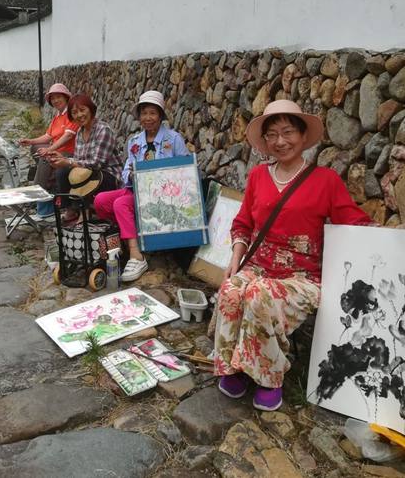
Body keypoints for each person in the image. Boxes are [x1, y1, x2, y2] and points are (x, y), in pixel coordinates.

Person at [214, 99, 373, 411]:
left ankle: (269, 377)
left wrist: (391, 237)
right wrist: (235, 261)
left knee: (259, 295)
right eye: (272, 135)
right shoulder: (258, 176)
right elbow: (243, 223)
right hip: (258, 267)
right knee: (232, 290)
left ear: (302, 136)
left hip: (303, 277)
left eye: (288, 132)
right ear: (265, 141)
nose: (280, 141)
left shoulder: (326, 180)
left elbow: (354, 222)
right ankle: (235, 367)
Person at [94, 90, 189, 282]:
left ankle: (136, 254)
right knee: (100, 200)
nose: (148, 118)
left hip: (162, 196)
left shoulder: (173, 139)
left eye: (152, 113)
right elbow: (126, 171)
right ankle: (128, 235)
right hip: (136, 190)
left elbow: (186, 169)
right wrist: (132, 174)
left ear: (160, 115)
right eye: (144, 113)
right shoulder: (134, 142)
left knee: (121, 204)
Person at [47, 93, 123, 222]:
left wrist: (68, 162)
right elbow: (79, 160)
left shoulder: (103, 130)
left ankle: (85, 211)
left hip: (108, 175)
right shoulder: (80, 132)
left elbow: (97, 163)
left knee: (80, 172)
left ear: (91, 109)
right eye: (74, 113)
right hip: (90, 172)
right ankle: (72, 209)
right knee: (62, 171)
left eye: (82, 110)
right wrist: (61, 159)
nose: (79, 115)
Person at [19, 83, 78, 214]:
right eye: (53, 98)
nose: (55, 100)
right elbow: (48, 136)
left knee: (45, 157)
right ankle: (47, 179)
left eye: (58, 97)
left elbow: (68, 136)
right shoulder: (58, 116)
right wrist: (30, 141)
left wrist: (49, 150)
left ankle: (35, 193)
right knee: (36, 148)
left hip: (68, 153)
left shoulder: (71, 113)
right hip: (58, 150)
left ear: (66, 97)